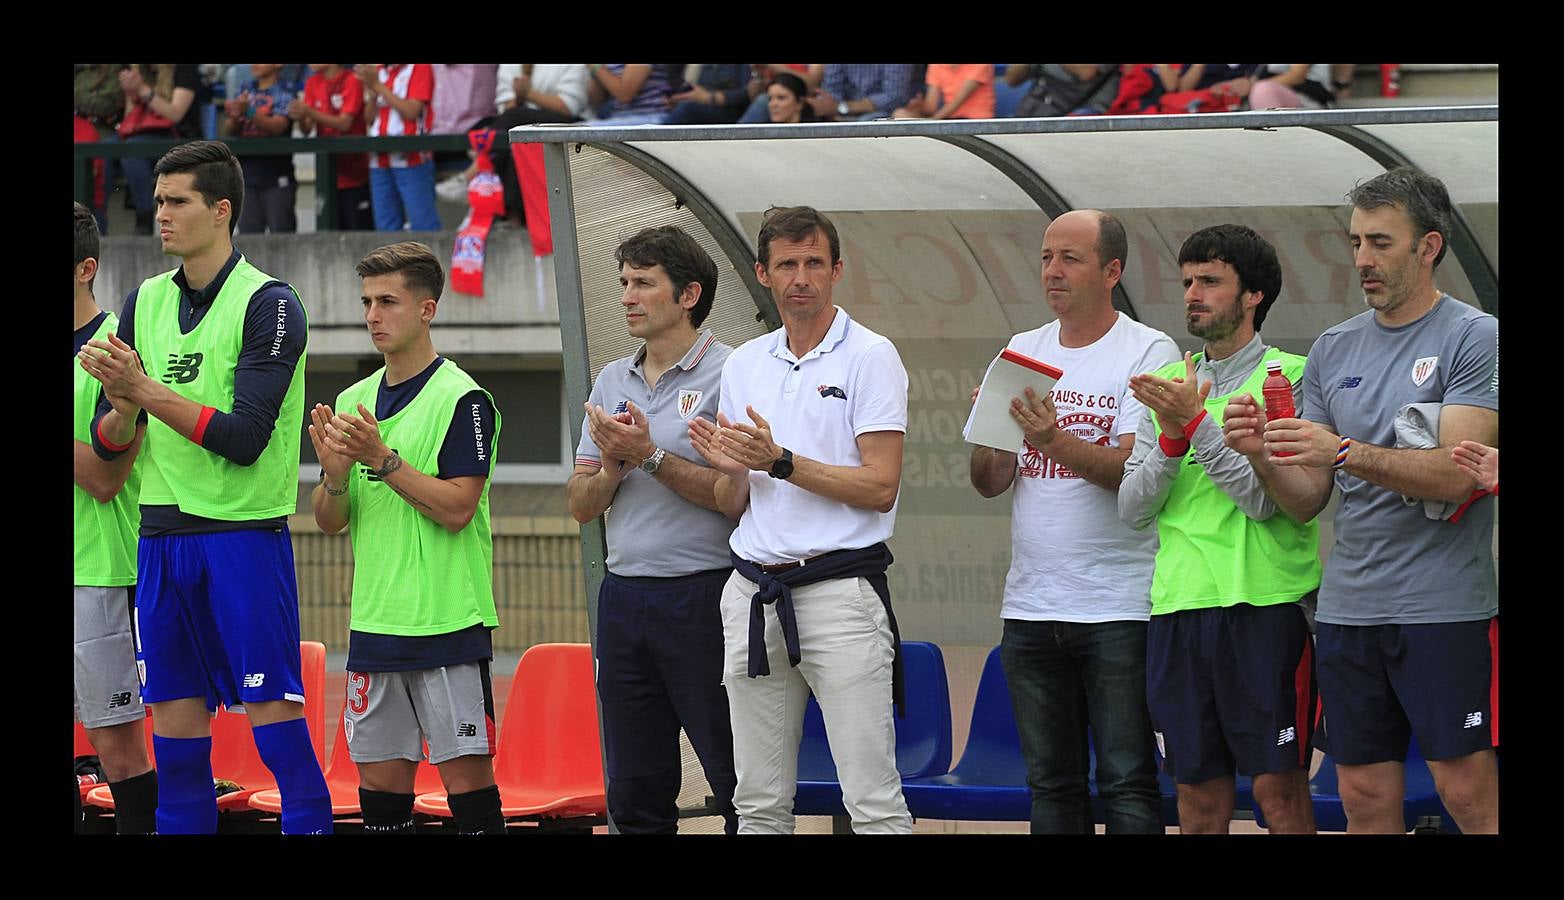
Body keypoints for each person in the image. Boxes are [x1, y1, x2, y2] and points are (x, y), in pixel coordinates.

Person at [1222, 167, 1499, 834]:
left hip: (1443, 607)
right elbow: (1305, 500)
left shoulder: (1474, 336)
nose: (1363, 261)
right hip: (1349, 611)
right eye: (1354, 243)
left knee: (1464, 790)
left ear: (1428, 247)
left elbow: (1458, 475)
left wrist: (1343, 451)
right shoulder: (1334, 346)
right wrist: (1262, 453)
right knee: (1364, 798)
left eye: (1380, 243)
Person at [78, 140, 331, 835]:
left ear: (220, 210)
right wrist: (123, 410)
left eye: (177, 201)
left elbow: (245, 437)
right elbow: (111, 437)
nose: (161, 214)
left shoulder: (272, 303)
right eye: (157, 201)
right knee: (178, 745)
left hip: (242, 538)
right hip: (159, 541)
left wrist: (143, 390)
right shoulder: (144, 301)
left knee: (276, 729)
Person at [688, 206, 911, 834]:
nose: (802, 277)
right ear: (763, 273)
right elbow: (735, 502)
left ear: (837, 270)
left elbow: (880, 486)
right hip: (752, 591)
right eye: (788, 264)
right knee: (756, 804)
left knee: (872, 801)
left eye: (815, 262)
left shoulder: (871, 355)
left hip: (840, 592)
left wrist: (781, 461)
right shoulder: (745, 363)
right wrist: (729, 467)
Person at [969, 210, 1180, 834]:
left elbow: (1134, 473)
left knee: (1128, 782)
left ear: (1111, 271)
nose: (1053, 271)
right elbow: (988, 482)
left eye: (1070, 258)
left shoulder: (1147, 351)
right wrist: (994, 437)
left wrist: (1052, 439)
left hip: (1119, 608)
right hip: (1031, 608)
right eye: (1045, 257)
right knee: (1051, 787)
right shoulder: (1021, 350)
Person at [1119, 224, 1320, 834]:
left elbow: (1268, 502)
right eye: (1186, 282)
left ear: (1253, 294)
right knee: (1197, 801)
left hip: (1266, 607)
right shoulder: (1170, 384)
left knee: (1276, 792)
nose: (1192, 294)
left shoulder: (1294, 375)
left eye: (1210, 280)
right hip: (1178, 607)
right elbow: (1132, 508)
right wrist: (1173, 439)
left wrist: (1196, 423)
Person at [309, 242, 505, 834]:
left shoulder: (464, 399)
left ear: (427, 308)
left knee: (468, 791)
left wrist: (382, 459)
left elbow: (457, 509)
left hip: (447, 622)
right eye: (367, 301)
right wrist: (338, 477)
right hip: (374, 624)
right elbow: (328, 518)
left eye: (387, 301)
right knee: (380, 796)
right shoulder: (352, 400)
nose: (373, 315)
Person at [567, 225, 739, 834]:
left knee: (735, 777)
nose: (628, 297)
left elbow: (735, 501)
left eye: (644, 283)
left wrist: (649, 456)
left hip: (708, 595)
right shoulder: (613, 379)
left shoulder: (733, 373)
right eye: (624, 283)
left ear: (689, 294)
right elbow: (583, 504)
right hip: (625, 598)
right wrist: (614, 462)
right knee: (635, 788)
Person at [73, 202, 158, 834]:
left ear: (86, 269)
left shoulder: (116, 358)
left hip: (96, 572)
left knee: (117, 745)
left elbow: (105, 479)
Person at [356, 63, 442, 232]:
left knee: (423, 225)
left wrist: (378, 86)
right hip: (379, 160)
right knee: (385, 230)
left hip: (412, 159)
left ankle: (427, 259)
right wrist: (373, 96)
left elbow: (412, 112)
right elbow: (368, 119)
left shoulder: (420, 68)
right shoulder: (378, 71)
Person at [291, 64, 373, 231]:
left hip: (355, 174)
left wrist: (309, 112)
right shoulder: (312, 82)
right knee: (329, 231)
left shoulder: (352, 80)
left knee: (358, 231)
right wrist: (300, 117)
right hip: (327, 174)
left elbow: (345, 123)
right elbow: (306, 129)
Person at [220, 64, 298, 234]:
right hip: (246, 174)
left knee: (282, 234)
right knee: (249, 238)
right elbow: (228, 128)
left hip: (276, 174)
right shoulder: (244, 88)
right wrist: (234, 116)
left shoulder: (287, 89)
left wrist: (249, 111)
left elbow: (279, 126)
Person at [808, 64, 915, 120]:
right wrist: (826, 105)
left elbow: (894, 97)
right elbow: (833, 90)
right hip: (843, 113)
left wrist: (841, 107)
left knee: (866, 122)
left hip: (888, 114)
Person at [893, 64, 996, 119]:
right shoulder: (936, 66)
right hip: (948, 121)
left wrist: (933, 122)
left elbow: (958, 101)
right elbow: (930, 108)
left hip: (976, 122)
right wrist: (918, 107)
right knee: (899, 114)